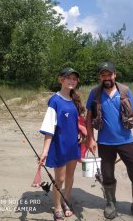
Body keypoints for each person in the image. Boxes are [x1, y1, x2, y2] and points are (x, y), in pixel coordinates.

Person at [86, 62, 133, 221]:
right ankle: (110, 204)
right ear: (100, 77)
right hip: (104, 143)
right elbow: (88, 118)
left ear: (115, 74)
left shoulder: (125, 91)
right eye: (103, 75)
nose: (107, 77)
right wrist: (91, 138)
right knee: (107, 175)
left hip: (126, 141)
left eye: (109, 74)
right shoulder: (94, 94)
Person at [39, 67, 85, 221]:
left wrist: (79, 133)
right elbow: (48, 128)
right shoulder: (55, 101)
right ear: (61, 80)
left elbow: (76, 122)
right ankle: (57, 206)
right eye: (68, 78)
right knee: (60, 179)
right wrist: (45, 150)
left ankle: (66, 201)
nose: (72, 81)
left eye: (74, 78)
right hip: (60, 146)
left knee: (70, 176)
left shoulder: (74, 100)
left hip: (73, 145)